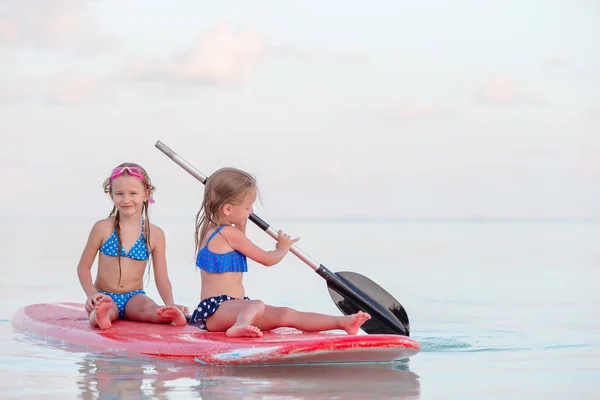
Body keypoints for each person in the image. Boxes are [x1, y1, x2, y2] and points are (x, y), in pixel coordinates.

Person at [190, 167, 371, 338]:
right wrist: (282, 248)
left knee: (286, 314)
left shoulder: (213, 230)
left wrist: (242, 220)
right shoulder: (228, 233)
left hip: (234, 309)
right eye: (247, 208)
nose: (251, 211)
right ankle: (240, 326)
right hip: (216, 311)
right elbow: (267, 259)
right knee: (257, 304)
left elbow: (239, 241)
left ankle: (343, 322)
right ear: (228, 209)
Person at [76, 162, 189, 329]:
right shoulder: (102, 228)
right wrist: (92, 294)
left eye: (133, 193)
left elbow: (162, 278)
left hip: (134, 297)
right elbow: (83, 268)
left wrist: (170, 303)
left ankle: (170, 315)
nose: (126, 199)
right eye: (119, 194)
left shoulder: (154, 234)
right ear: (111, 195)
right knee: (106, 309)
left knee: (149, 309)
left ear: (146, 194)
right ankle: (102, 316)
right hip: (105, 296)